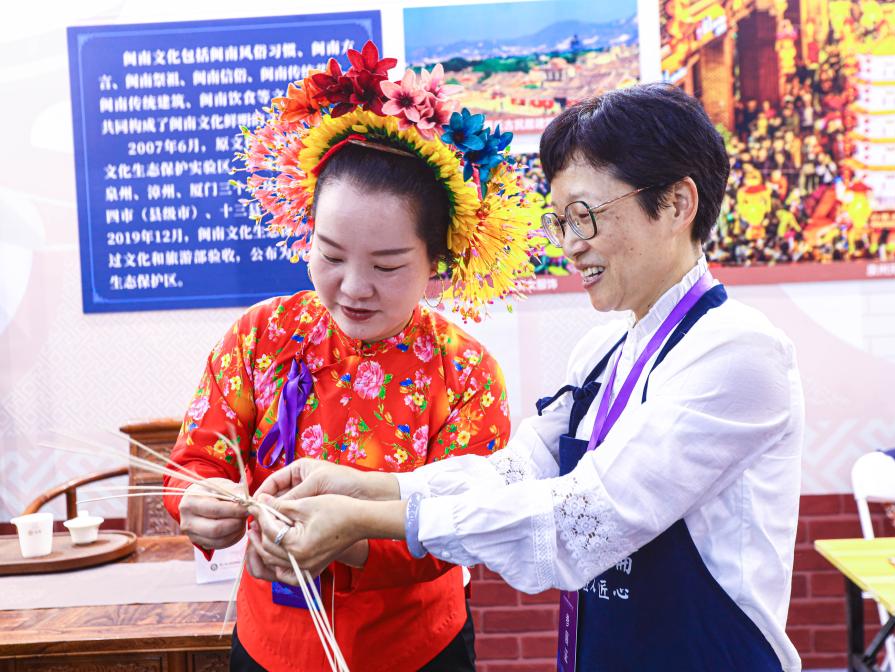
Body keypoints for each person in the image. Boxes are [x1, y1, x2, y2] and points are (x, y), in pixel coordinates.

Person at [248, 83, 805, 671]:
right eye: (561, 221)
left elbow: (582, 518)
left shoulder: (739, 352)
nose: (571, 245)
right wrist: (366, 487)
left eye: (585, 216)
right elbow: (512, 474)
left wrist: (364, 518)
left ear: (675, 204)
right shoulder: (602, 353)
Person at [163, 41, 537, 672]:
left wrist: (353, 537)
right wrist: (199, 500)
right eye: (331, 255)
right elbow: (196, 459)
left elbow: (464, 524)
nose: (354, 287)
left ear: (437, 262)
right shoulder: (260, 336)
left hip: (416, 649)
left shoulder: (466, 371)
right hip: (272, 645)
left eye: (387, 265)